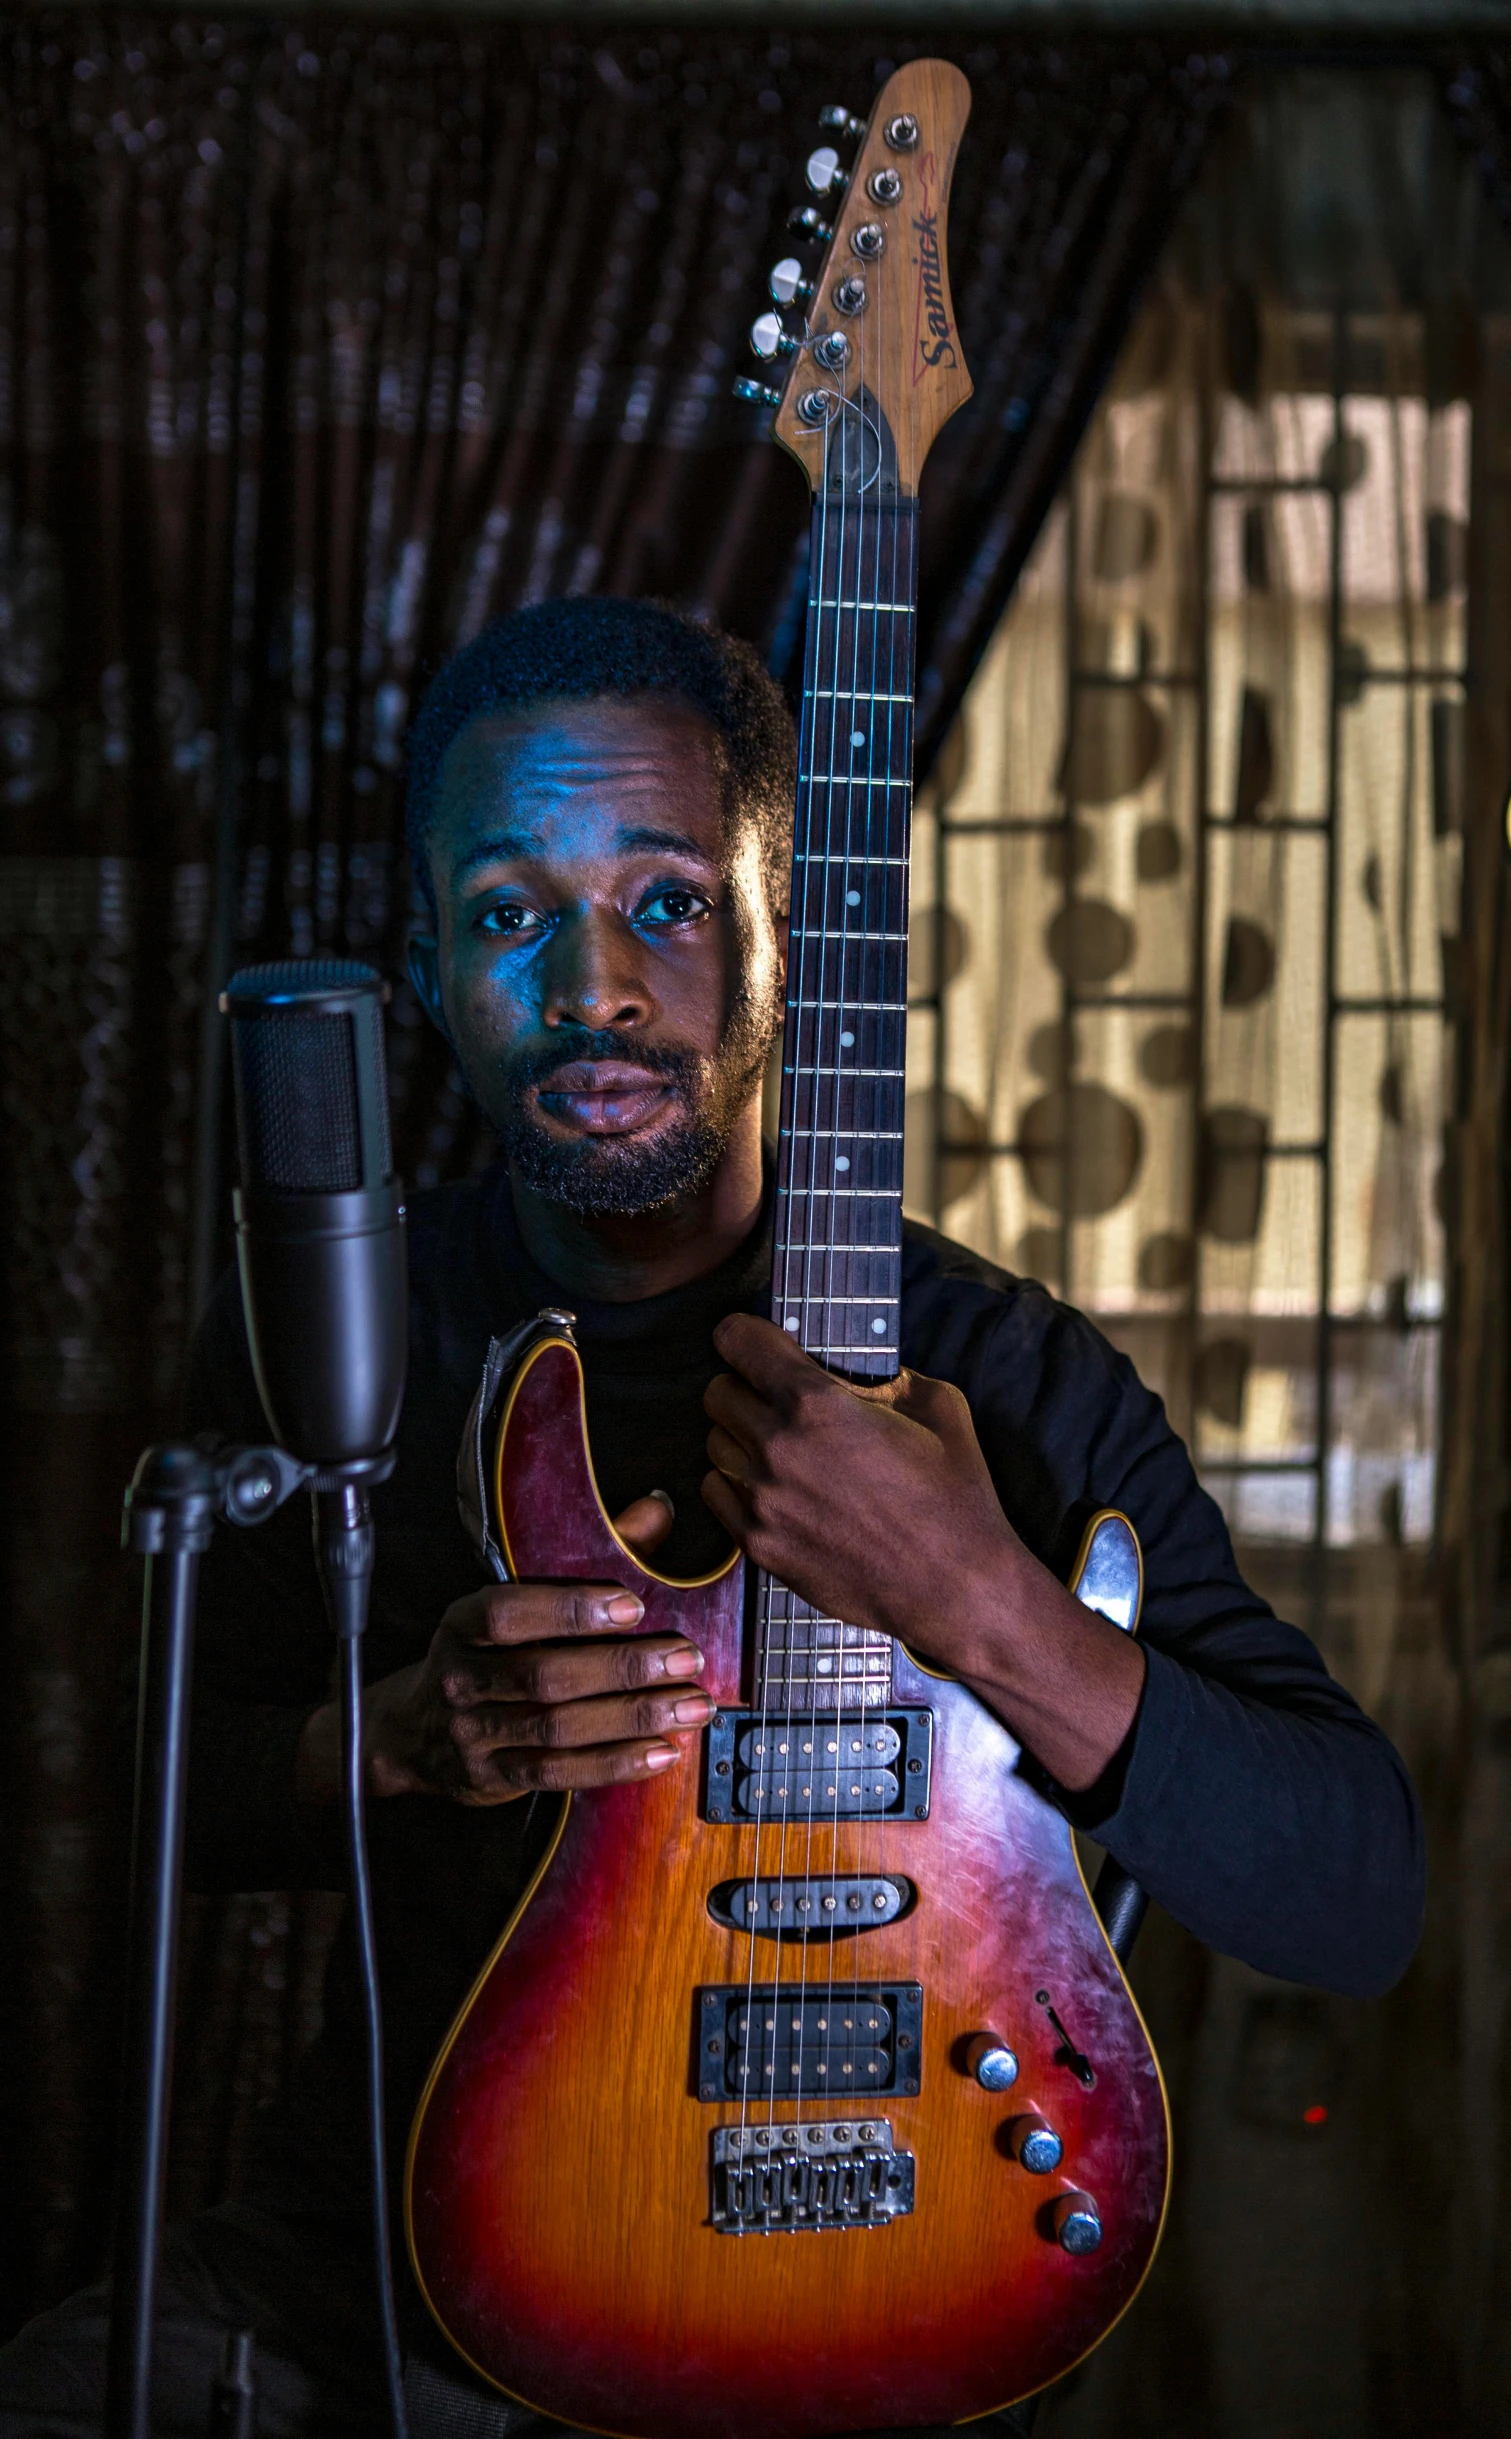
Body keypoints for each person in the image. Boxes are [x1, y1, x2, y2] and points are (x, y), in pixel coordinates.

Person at [0, 599, 1423, 2439]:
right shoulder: (339, 1322)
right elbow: (136, 1799)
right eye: (510, 912)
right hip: (403, 2243)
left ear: (786, 951)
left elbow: (1362, 1892)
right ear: (428, 969)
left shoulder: (1014, 1373)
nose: (590, 984)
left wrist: (983, 1601)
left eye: (668, 900)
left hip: (894, 2238)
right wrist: (397, 1746)